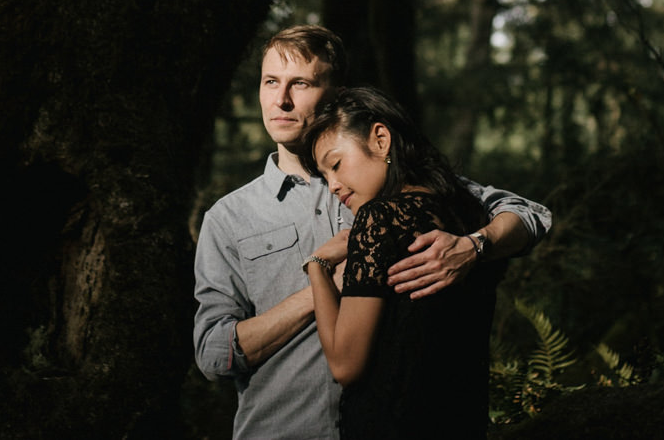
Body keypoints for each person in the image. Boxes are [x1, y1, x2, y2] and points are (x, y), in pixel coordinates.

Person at [193, 24, 550, 440]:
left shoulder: (390, 183)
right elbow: (213, 354)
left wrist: (473, 245)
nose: (281, 99)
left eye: (301, 83)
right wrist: (322, 286)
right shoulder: (229, 217)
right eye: (271, 81)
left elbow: (531, 214)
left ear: (337, 93)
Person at [300, 86, 497, 439]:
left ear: (380, 139)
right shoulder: (469, 216)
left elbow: (345, 365)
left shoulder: (378, 218)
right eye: (324, 175)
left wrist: (317, 266)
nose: (332, 185)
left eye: (336, 164)